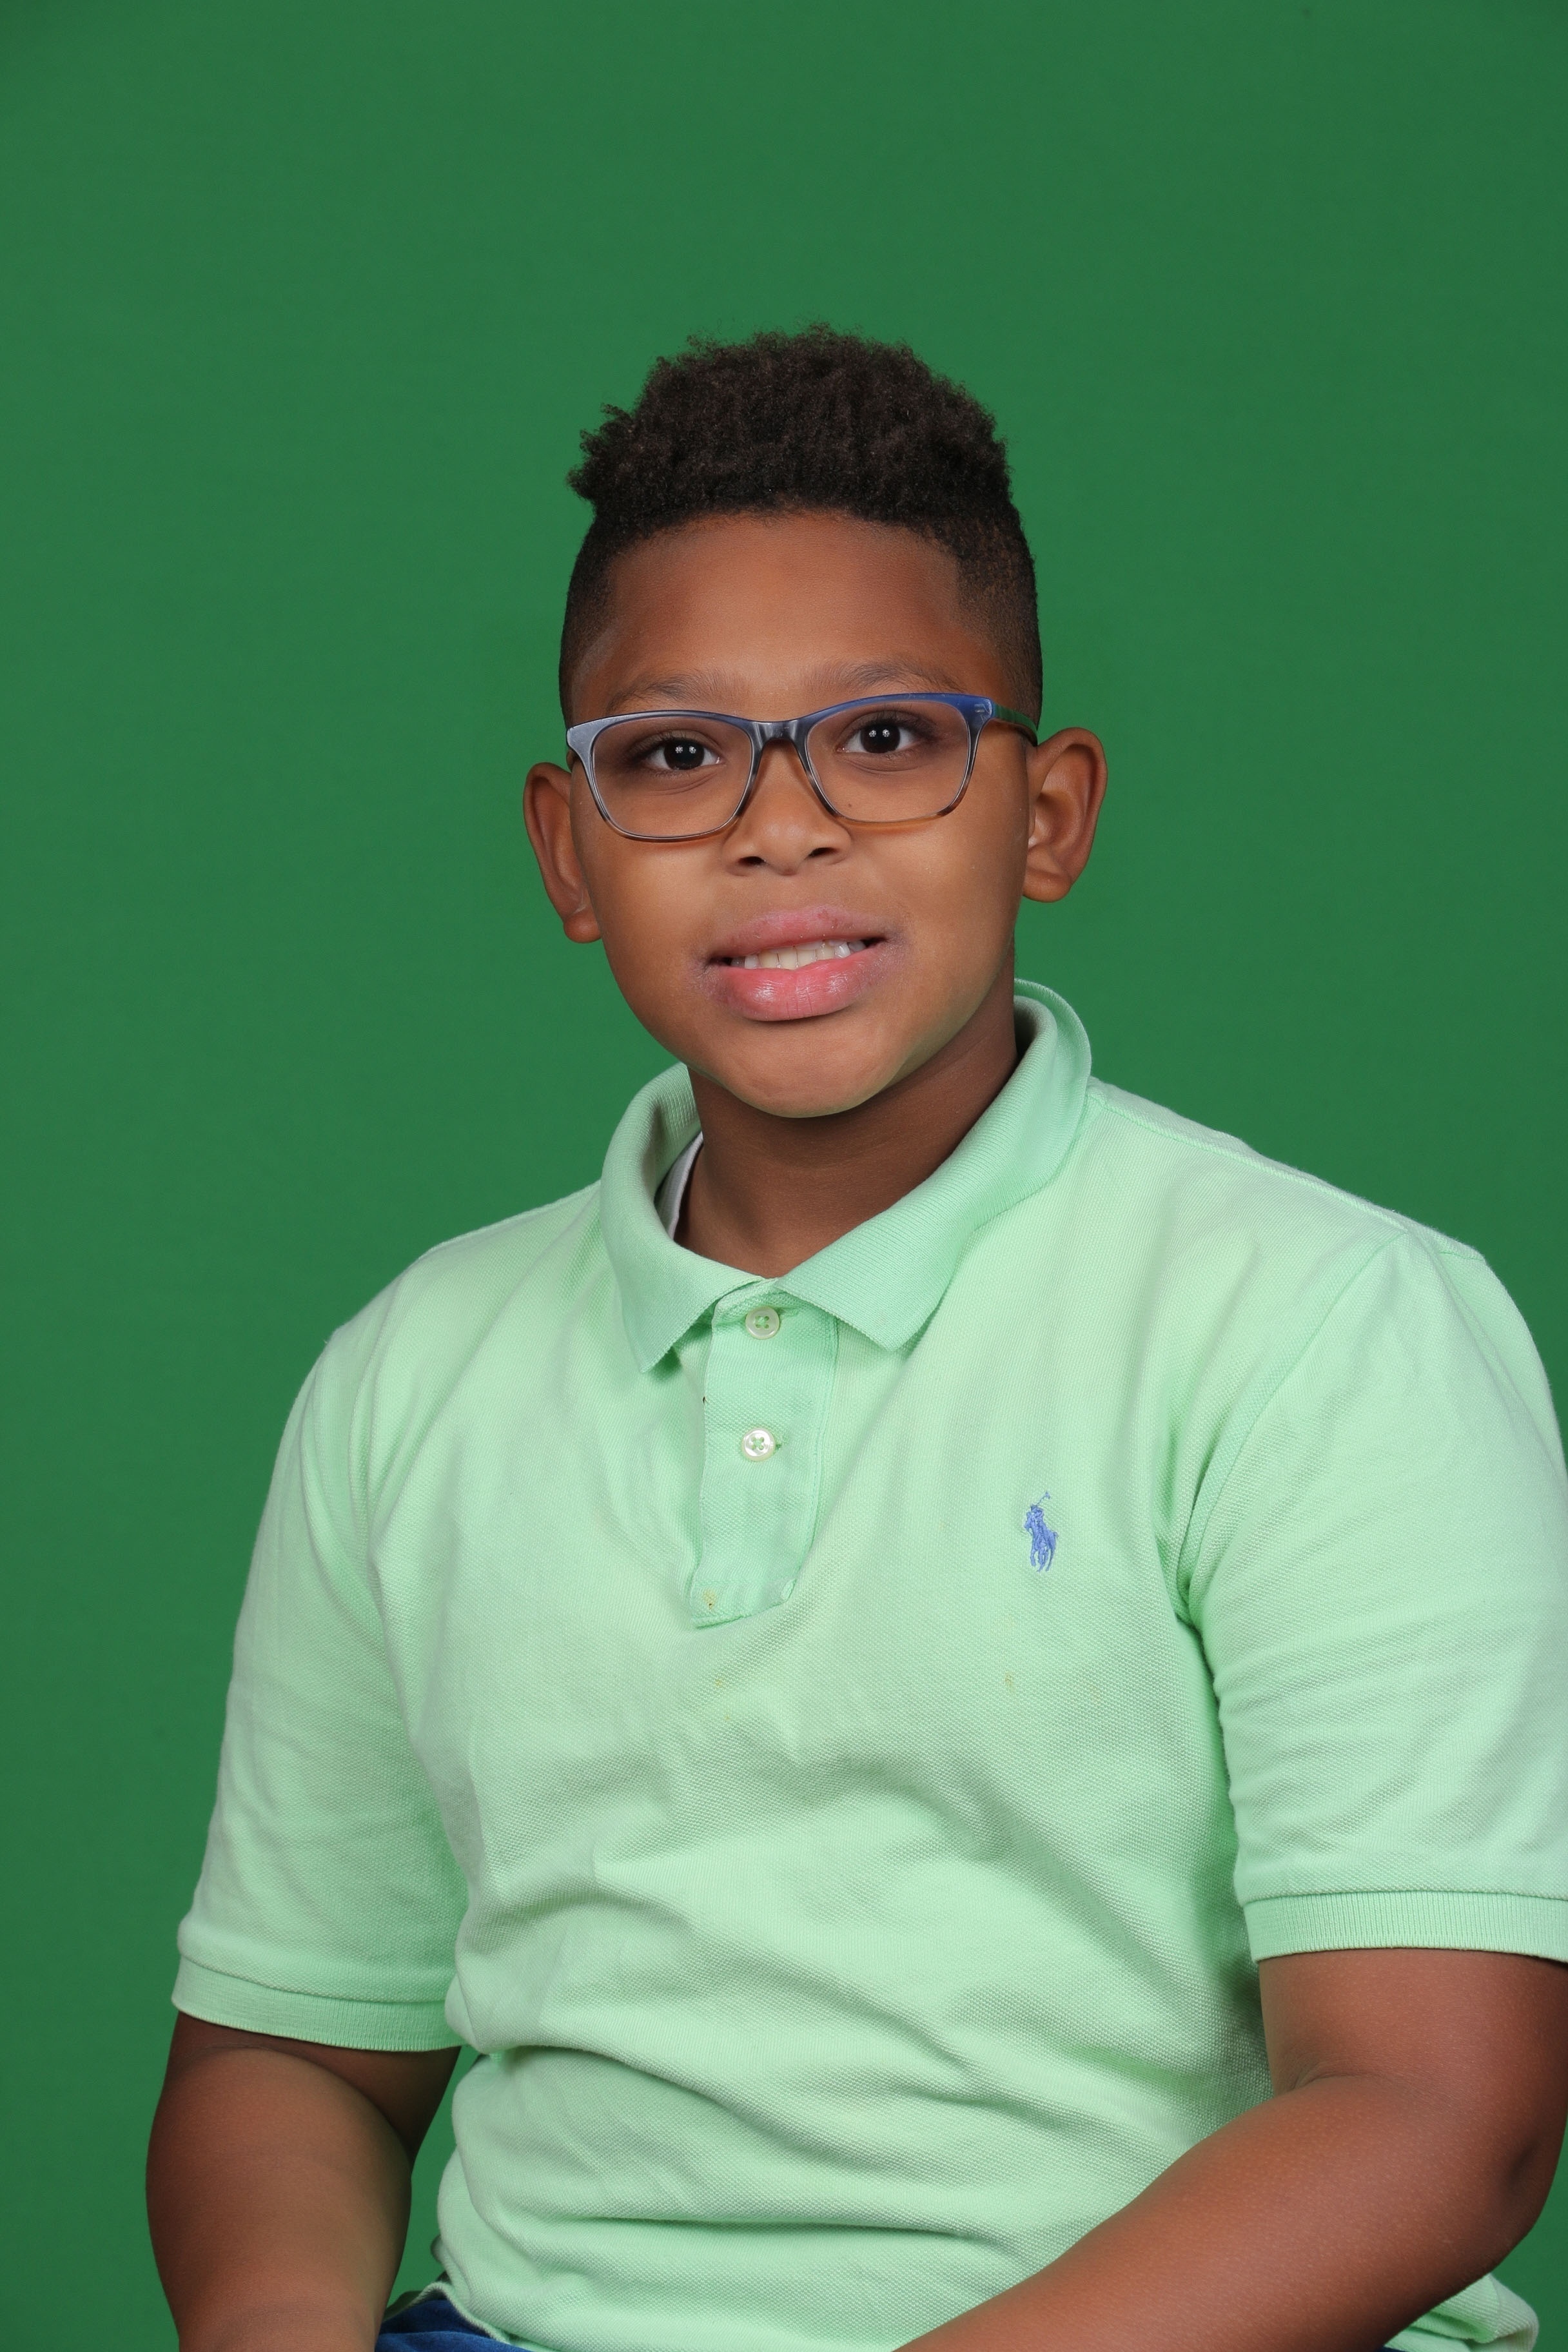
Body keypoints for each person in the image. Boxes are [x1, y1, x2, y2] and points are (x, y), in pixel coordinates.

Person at [148, 328, 1568, 2352]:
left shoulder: (1324, 1326)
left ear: (1048, 815)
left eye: (888, 738)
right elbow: (296, 2054)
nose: (780, 828)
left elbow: (1434, 2112)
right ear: (568, 847)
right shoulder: (415, 1372)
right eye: (675, 756)